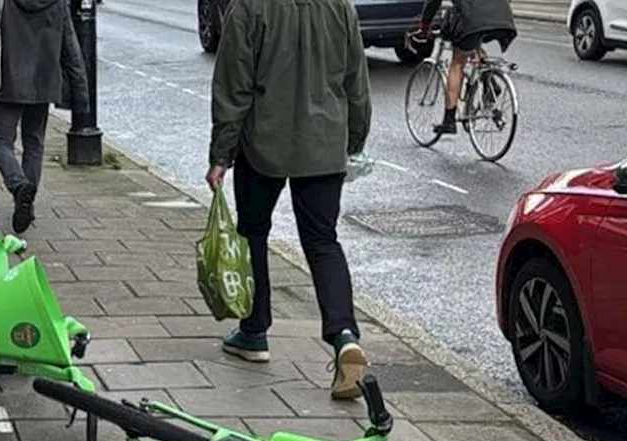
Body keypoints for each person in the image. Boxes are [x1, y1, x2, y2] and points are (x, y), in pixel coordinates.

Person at [206, 0, 372, 400]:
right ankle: (344, 334)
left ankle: (254, 330)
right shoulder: (339, 7)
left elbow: (234, 87)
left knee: (252, 232)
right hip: (324, 143)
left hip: (263, 143)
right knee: (322, 241)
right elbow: (356, 82)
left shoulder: (248, 7)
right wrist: (351, 141)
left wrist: (221, 155)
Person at [0, 0, 89, 234]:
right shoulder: (58, 3)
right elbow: (71, 51)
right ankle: (26, 202)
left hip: (7, 80)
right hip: (44, 82)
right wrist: (81, 96)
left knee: (1, 142)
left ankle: (19, 186)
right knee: (34, 143)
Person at [408, 0, 516, 135]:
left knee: (457, 63)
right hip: (501, 16)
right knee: (473, 40)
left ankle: (449, 121)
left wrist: (424, 27)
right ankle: (490, 82)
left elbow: (433, 2)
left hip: (474, 17)